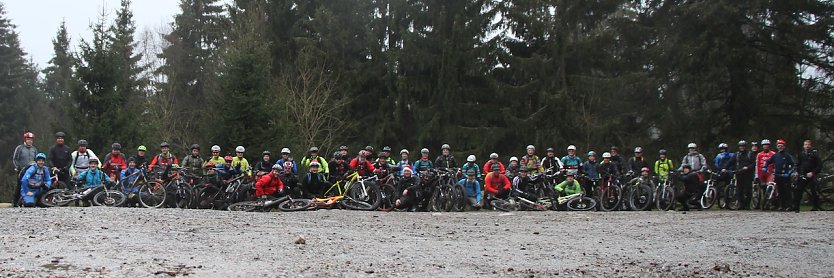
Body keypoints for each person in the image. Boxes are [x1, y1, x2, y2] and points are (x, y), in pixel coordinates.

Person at [764, 139, 796, 211]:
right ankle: (781, 205)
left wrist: (789, 173)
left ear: (784, 147)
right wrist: (765, 167)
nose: (780, 147)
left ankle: (789, 206)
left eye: (781, 146)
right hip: (777, 175)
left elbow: (794, 165)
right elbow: (768, 161)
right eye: (779, 146)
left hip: (785, 176)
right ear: (777, 147)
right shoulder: (775, 155)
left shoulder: (787, 155)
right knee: (780, 191)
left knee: (787, 191)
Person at [13, 132, 39, 206]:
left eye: (31, 140)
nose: (29, 141)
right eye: (28, 139)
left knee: (31, 186)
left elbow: (36, 160)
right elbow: (15, 159)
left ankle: (29, 202)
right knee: (19, 186)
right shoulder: (20, 148)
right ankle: (15, 203)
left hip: (31, 172)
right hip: (21, 171)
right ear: (25, 140)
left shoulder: (34, 149)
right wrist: (18, 167)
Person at [797, 140, 823, 211]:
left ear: (811, 146)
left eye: (808, 145)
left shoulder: (814, 155)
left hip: (812, 175)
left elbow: (820, 165)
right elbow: (798, 164)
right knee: (799, 189)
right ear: (803, 146)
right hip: (803, 174)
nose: (807, 146)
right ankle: (796, 207)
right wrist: (797, 172)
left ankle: (815, 207)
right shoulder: (801, 154)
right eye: (806, 145)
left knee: (813, 191)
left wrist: (813, 173)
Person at [733, 141, 756, 210]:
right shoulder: (736, 154)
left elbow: (754, 163)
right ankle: (741, 204)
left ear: (745, 147)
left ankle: (747, 204)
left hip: (748, 174)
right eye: (740, 146)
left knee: (748, 190)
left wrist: (748, 167)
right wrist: (725, 168)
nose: (742, 147)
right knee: (740, 190)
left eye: (743, 146)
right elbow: (731, 161)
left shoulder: (750, 154)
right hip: (739, 174)